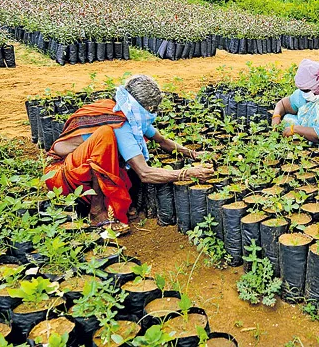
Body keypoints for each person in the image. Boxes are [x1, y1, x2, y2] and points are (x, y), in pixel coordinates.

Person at [44, 74, 213, 231]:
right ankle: (97, 211)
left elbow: (161, 141)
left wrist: (192, 154)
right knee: (105, 135)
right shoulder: (120, 123)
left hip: (79, 169)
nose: (153, 112)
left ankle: (111, 202)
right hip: (61, 176)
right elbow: (145, 173)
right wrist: (187, 173)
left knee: (120, 158)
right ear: (146, 106)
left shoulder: (130, 113)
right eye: (152, 108)